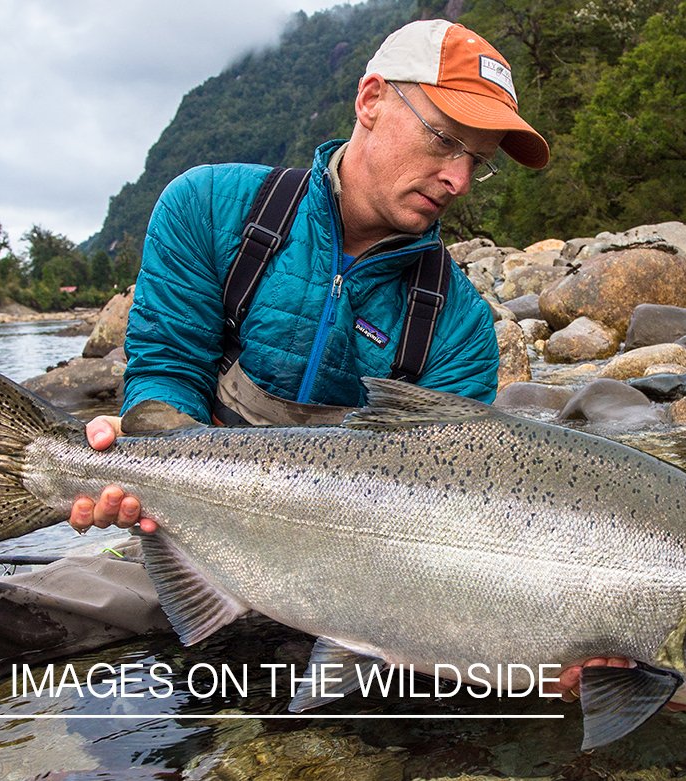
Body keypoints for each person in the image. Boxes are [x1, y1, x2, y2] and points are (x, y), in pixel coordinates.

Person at [68, 19, 625, 700]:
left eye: (476, 161)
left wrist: (544, 647)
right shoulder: (210, 207)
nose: (456, 178)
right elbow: (166, 368)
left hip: (368, 581)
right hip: (195, 532)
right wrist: (140, 467)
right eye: (445, 139)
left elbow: (447, 511)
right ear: (370, 100)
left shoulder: (458, 326)